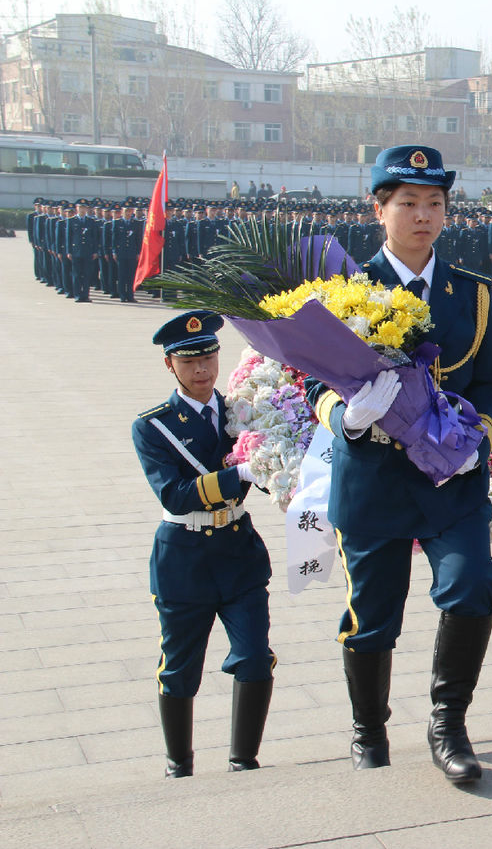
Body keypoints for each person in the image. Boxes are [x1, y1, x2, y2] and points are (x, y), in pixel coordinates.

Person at [305, 145, 492, 785]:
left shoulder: (471, 295)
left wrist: (476, 431)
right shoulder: (345, 293)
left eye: (435, 204)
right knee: (372, 616)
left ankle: (449, 721)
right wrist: (347, 416)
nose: (423, 216)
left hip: (452, 478)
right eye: (408, 204)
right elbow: (309, 383)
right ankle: (369, 728)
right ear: (379, 209)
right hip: (374, 480)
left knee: (473, 583)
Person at [132, 311, 275, 778]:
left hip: (238, 551)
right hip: (185, 556)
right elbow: (173, 494)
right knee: (179, 667)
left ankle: (244, 760)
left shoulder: (244, 410)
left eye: (209, 357)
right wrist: (239, 474)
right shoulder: (153, 427)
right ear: (169, 366)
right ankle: (179, 764)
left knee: (255, 656)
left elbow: (278, 464)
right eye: (188, 361)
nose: (202, 370)